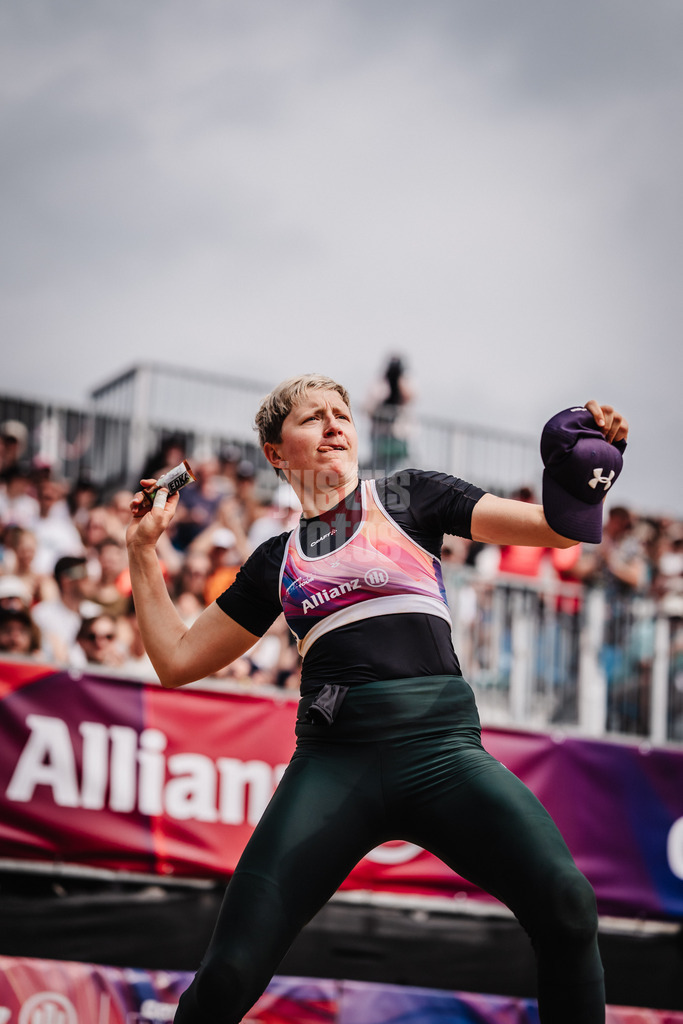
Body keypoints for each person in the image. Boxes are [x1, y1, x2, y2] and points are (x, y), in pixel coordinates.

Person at [127, 375, 629, 1024]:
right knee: (227, 975)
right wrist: (143, 553)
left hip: (442, 753)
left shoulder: (408, 496)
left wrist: (584, 459)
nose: (336, 424)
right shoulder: (274, 561)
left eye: (342, 414)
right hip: (335, 766)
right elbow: (175, 660)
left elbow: (555, 532)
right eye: (314, 418)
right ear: (276, 452)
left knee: (567, 906)